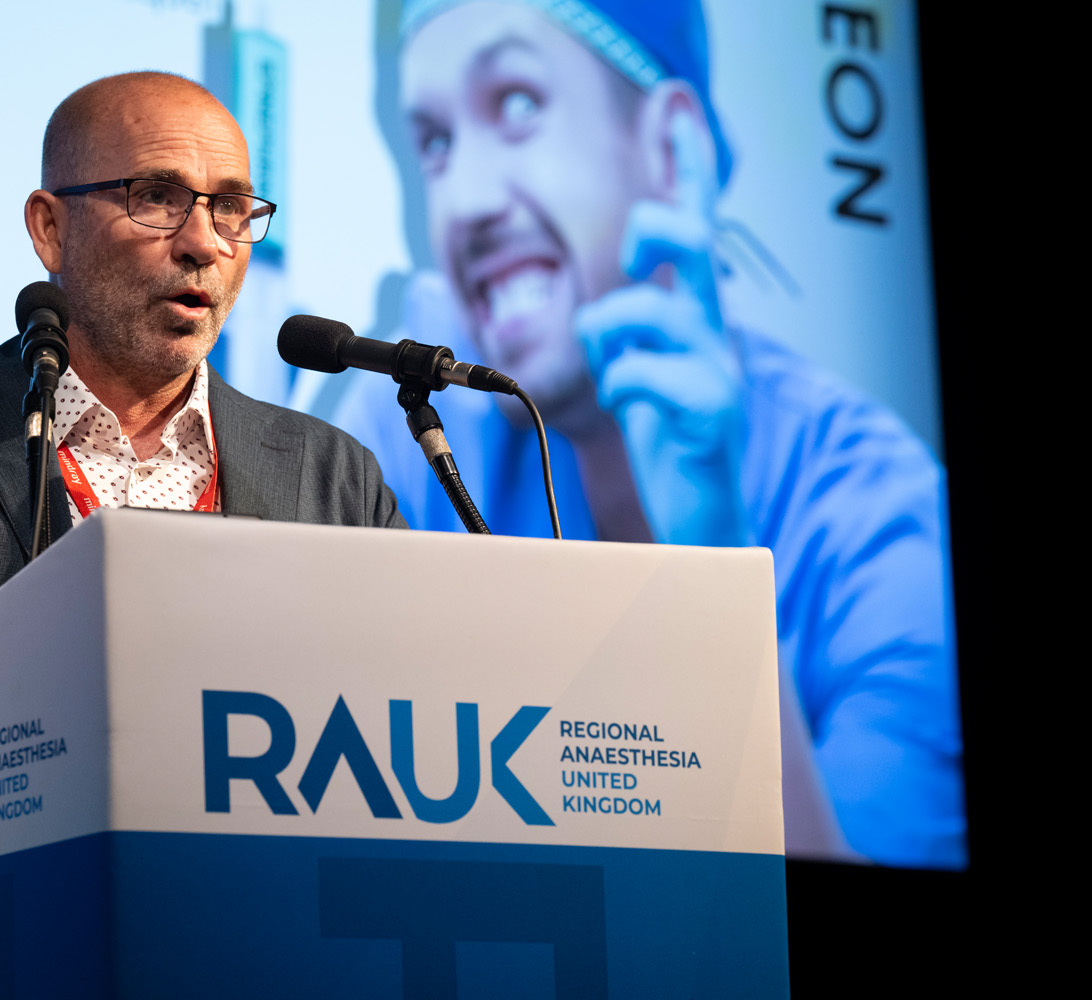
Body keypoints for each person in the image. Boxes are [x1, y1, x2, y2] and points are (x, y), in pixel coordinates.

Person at [329, 0, 964, 867]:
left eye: (518, 103)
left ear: (670, 148)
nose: (464, 201)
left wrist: (711, 558)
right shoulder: (417, 422)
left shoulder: (875, 513)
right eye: (436, 143)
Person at [0, 72, 406, 831]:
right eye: (158, 197)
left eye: (230, 207)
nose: (204, 244)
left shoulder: (333, 475)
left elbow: (411, 710)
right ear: (50, 228)